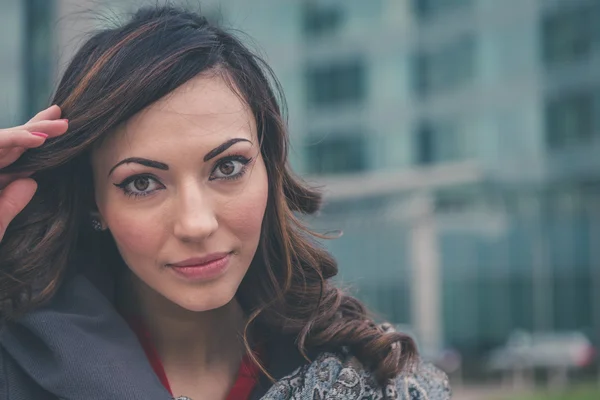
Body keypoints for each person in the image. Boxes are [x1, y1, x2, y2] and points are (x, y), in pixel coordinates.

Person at [0, 6, 451, 400]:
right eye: (141, 183)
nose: (196, 224)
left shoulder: (371, 376)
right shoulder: (16, 368)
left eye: (228, 168)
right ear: (93, 201)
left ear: (270, 169)